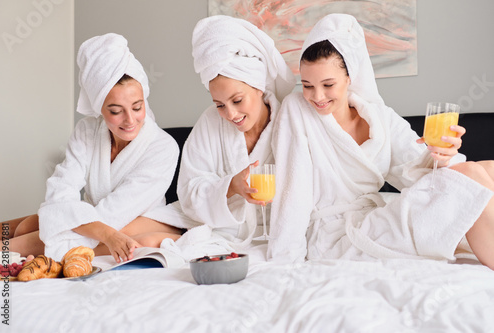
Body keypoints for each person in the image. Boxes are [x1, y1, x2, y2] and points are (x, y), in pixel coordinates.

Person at [268, 13, 494, 270]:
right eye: (307, 85)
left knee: (485, 169)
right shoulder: (296, 110)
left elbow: (418, 168)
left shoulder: (379, 116)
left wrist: (441, 153)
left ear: (349, 77)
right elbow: (292, 190)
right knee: (471, 174)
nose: (316, 96)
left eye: (328, 84)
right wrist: (284, 261)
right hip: (335, 238)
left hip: (375, 219)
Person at [0, 33, 182, 262]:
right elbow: (59, 194)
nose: (130, 120)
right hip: (92, 221)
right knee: (26, 226)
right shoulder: (87, 131)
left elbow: (113, 214)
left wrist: (76, 223)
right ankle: (7, 239)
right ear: (99, 108)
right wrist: (106, 234)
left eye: (137, 107)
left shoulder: (163, 148)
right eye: (115, 111)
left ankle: (3, 249)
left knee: (26, 234)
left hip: (133, 220)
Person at [176, 15, 296, 248]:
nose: (230, 114)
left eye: (237, 100)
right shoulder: (210, 122)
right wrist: (230, 186)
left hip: (280, 232)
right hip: (223, 233)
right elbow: (189, 192)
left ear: (259, 88)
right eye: (220, 104)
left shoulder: (290, 120)